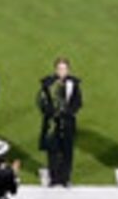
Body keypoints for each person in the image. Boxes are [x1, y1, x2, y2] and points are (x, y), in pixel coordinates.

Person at [35, 58, 83, 188]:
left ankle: (65, 178)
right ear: (55, 69)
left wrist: (67, 112)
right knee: (53, 151)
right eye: (59, 69)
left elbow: (78, 102)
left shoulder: (74, 83)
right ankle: (54, 177)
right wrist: (51, 112)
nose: (62, 71)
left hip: (68, 122)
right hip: (52, 123)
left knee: (67, 151)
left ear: (68, 70)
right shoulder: (48, 83)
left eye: (64, 69)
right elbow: (41, 101)